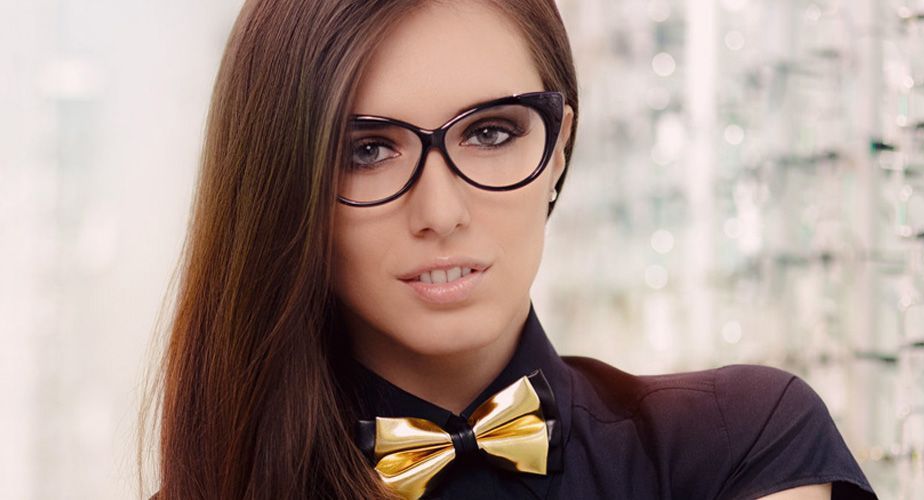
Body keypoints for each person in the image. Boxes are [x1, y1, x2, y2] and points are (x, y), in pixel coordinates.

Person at [144, 0, 877, 498]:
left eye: (491, 134)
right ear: (282, 187)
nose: (440, 212)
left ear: (558, 148)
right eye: (367, 150)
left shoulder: (740, 440)